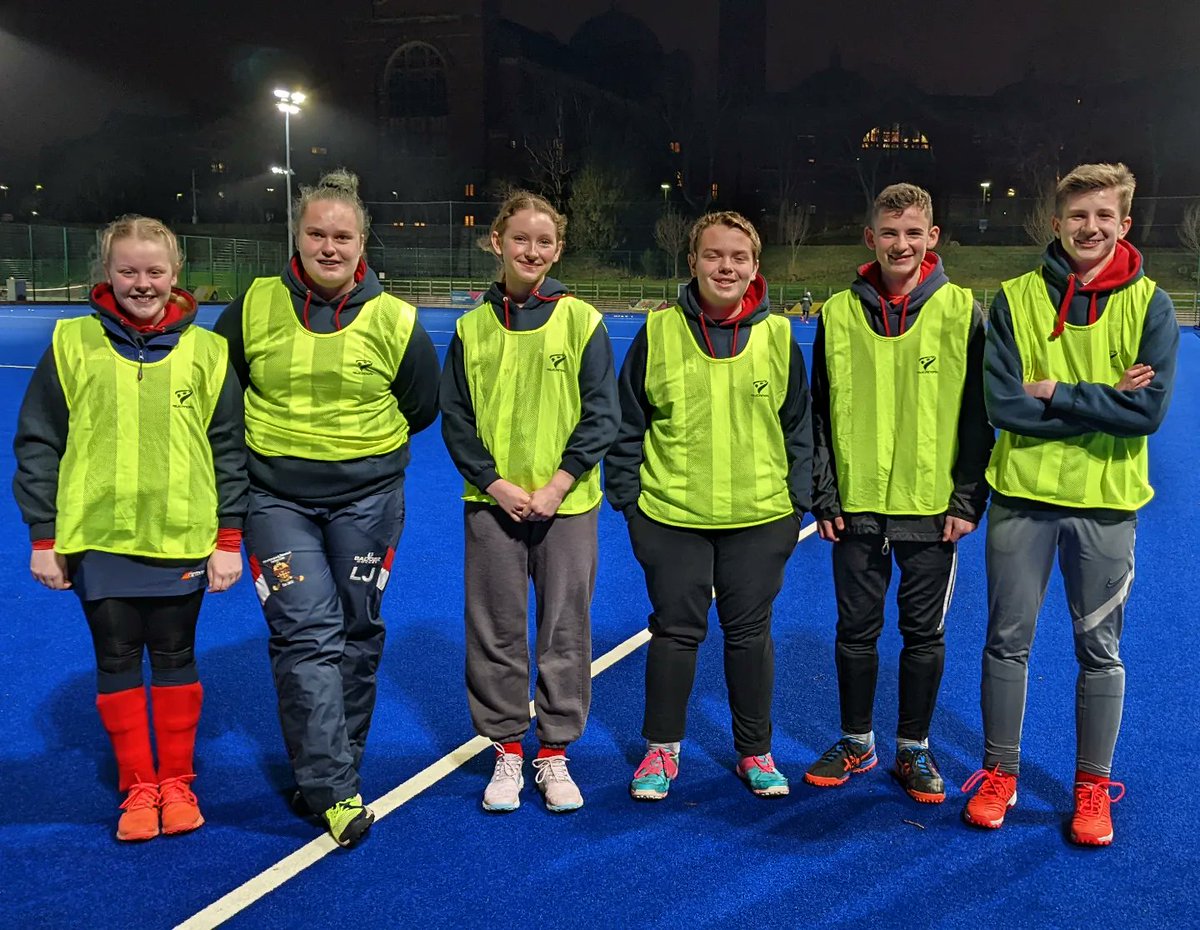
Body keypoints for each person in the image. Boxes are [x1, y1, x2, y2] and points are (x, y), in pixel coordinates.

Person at [215, 169, 440, 848]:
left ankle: (329, 769)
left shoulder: (397, 320)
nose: (330, 246)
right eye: (317, 232)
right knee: (306, 634)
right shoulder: (251, 306)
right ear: (298, 235)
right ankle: (337, 791)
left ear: (362, 241)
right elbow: (222, 392)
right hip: (275, 502)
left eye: (342, 235)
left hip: (368, 502)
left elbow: (421, 403)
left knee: (358, 631)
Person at [962, 163, 1178, 845]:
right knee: (1006, 644)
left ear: (1125, 223)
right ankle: (1000, 773)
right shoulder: (1014, 298)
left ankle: (1092, 788)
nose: (1090, 228)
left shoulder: (1153, 305)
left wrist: (1055, 390)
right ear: (1055, 223)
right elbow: (1003, 404)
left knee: (1100, 650)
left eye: (1103, 217)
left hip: (1106, 504)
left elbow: (1146, 414)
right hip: (1021, 499)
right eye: (1077, 216)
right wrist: (1103, 399)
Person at [13, 215, 247, 842]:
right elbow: (38, 443)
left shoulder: (209, 351)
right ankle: (138, 786)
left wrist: (229, 539)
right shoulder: (71, 343)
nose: (142, 283)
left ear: (176, 275)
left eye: (154, 271)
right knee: (115, 659)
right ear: (107, 274)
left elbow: (229, 451)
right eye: (128, 271)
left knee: (175, 658)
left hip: (182, 539)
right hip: (97, 541)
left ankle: (177, 782)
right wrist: (44, 537)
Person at [605, 211, 811, 801]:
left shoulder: (777, 337)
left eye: (738, 257)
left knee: (750, 636)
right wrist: (631, 504)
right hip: (671, 517)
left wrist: (795, 503)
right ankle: (661, 751)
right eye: (714, 255)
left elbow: (799, 426)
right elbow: (628, 423)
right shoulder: (659, 331)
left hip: (762, 516)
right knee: (675, 632)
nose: (726, 267)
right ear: (692, 262)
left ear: (754, 267)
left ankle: (755, 751)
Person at [804, 183, 993, 804]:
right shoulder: (836, 312)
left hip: (932, 512)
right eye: (890, 232)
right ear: (871, 238)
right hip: (855, 509)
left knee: (923, 636)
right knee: (854, 632)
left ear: (932, 238)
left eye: (914, 232)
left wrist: (967, 501)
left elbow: (977, 417)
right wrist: (825, 497)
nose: (901, 243)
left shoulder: (962, 311)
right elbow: (820, 414)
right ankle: (857, 741)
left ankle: (913, 748)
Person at [440, 191, 619, 813]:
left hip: (566, 505)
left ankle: (555, 752)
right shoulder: (470, 328)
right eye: (521, 239)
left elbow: (602, 414)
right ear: (497, 242)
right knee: (495, 628)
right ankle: (509, 751)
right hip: (492, 503)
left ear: (558, 249)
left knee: (564, 628)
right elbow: (456, 420)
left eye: (545, 241)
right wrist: (496, 483)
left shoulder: (582, 320)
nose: (532, 251)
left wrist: (557, 484)